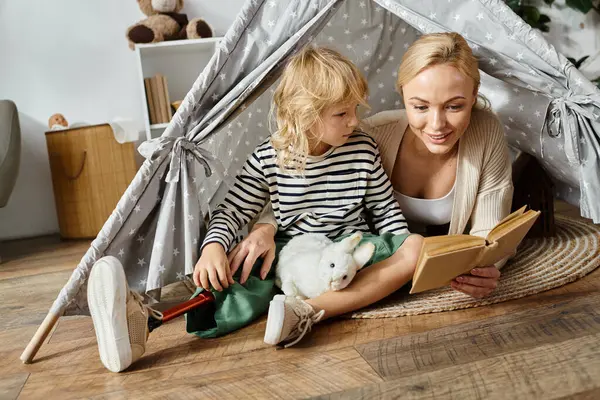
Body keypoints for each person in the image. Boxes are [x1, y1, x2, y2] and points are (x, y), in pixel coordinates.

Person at [85, 46, 423, 373]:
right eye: (342, 114)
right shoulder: (269, 157)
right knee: (232, 282)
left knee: (402, 247)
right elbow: (232, 210)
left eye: (354, 110)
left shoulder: (362, 147)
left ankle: (309, 309)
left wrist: (402, 250)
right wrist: (214, 247)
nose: (353, 121)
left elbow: (385, 209)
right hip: (293, 256)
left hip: (349, 247)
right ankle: (141, 323)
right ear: (304, 115)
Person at [238, 32, 513, 300]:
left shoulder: (485, 131)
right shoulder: (369, 134)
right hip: (345, 256)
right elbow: (304, 178)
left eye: (454, 107)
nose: (437, 124)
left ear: (475, 95)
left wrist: (486, 267)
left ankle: (311, 311)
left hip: (403, 260)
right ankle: (313, 310)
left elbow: (490, 231)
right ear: (403, 94)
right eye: (420, 107)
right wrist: (266, 225)